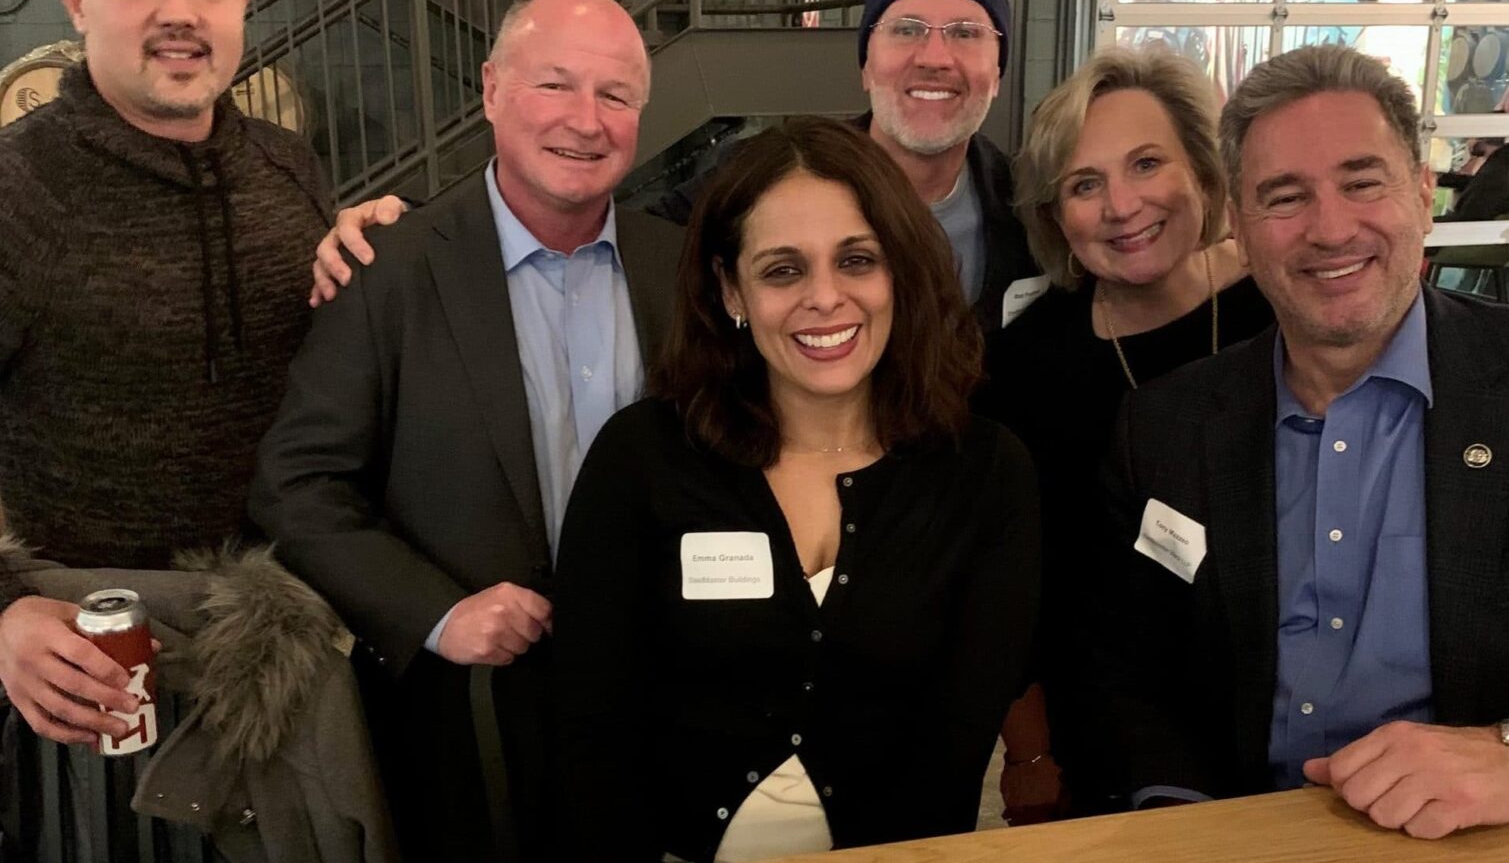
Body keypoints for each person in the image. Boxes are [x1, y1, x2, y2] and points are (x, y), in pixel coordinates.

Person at [251, 0, 684, 860]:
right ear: (490, 90)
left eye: (616, 96)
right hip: (469, 724)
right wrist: (437, 614)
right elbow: (295, 485)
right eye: (555, 85)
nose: (586, 120)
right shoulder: (388, 267)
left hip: (658, 700)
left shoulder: (682, 266)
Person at [550, 117, 1040, 861]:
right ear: (730, 289)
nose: (824, 298)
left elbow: (955, 742)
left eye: (856, 260)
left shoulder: (984, 474)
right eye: (782, 269)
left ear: (899, 273)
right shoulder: (640, 459)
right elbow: (590, 731)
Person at [1074, 44, 1509, 839]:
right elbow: (1125, 678)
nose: (1330, 228)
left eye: (1361, 182)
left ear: (1421, 192)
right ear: (1237, 228)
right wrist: (1181, 823)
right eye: (1283, 197)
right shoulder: (1162, 427)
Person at [0, 0, 328, 750]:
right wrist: (3, 614)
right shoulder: (17, 189)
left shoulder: (287, 167)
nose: (178, 10)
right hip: (93, 661)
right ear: (75, 0)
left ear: (242, 1)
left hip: (292, 642)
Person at [310, 0, 1040, 332]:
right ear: (864, 62)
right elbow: (607, 225)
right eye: (906, 28)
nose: (935, 56)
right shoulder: (781, 174)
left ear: (999, 69)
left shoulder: (1032, 212)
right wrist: (416, 217)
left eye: (966, 33)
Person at [975, 47, 1275, 822]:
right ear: (1052, 215)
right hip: (1100, 747)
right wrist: (1031, 755)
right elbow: (1012, 589)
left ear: (1204, 174)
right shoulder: (1023, 366)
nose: (1121, 204)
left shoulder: (1283, 310)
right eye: (1083, 184)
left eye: (1147, 164)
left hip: (1291, 724)